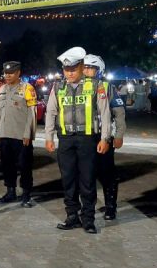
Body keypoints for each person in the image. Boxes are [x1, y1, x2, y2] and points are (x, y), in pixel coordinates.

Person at [44, 47, 111, 234]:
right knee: (68, 180)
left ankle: (88, 219)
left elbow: (105, 114)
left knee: (87, 180)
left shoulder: (95, 85)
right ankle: (71, 216)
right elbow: (51, 112)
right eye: (66, 70)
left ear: (81, 67)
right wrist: (48, 136)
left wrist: (105, 138)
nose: (69, 73)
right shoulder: (58, 87)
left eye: (73, 69)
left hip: (88, 139)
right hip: (65, 140)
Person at [83, 54, 126, 220]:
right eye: (84, 67)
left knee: (107, 174)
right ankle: (88, 207)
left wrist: (119, 135)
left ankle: (110, 207)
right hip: (83, 138)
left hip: (102, 136)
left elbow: (119, 113)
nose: (86, 71)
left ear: (99, 70)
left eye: (90, 68)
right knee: (86, 175)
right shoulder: (75, 86)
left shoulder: (107, 87)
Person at [0, 61, 37, 207]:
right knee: (7, 165)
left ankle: (26, 195)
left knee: (25, 166)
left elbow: (32, 113)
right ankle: (10, 192)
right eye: (5, 73)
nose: (7, 75)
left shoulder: (27, 88)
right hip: (5, 135)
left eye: (11, 73)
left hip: (21, 136)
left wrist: (28, 133)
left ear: (18, 73)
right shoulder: (1, 89)